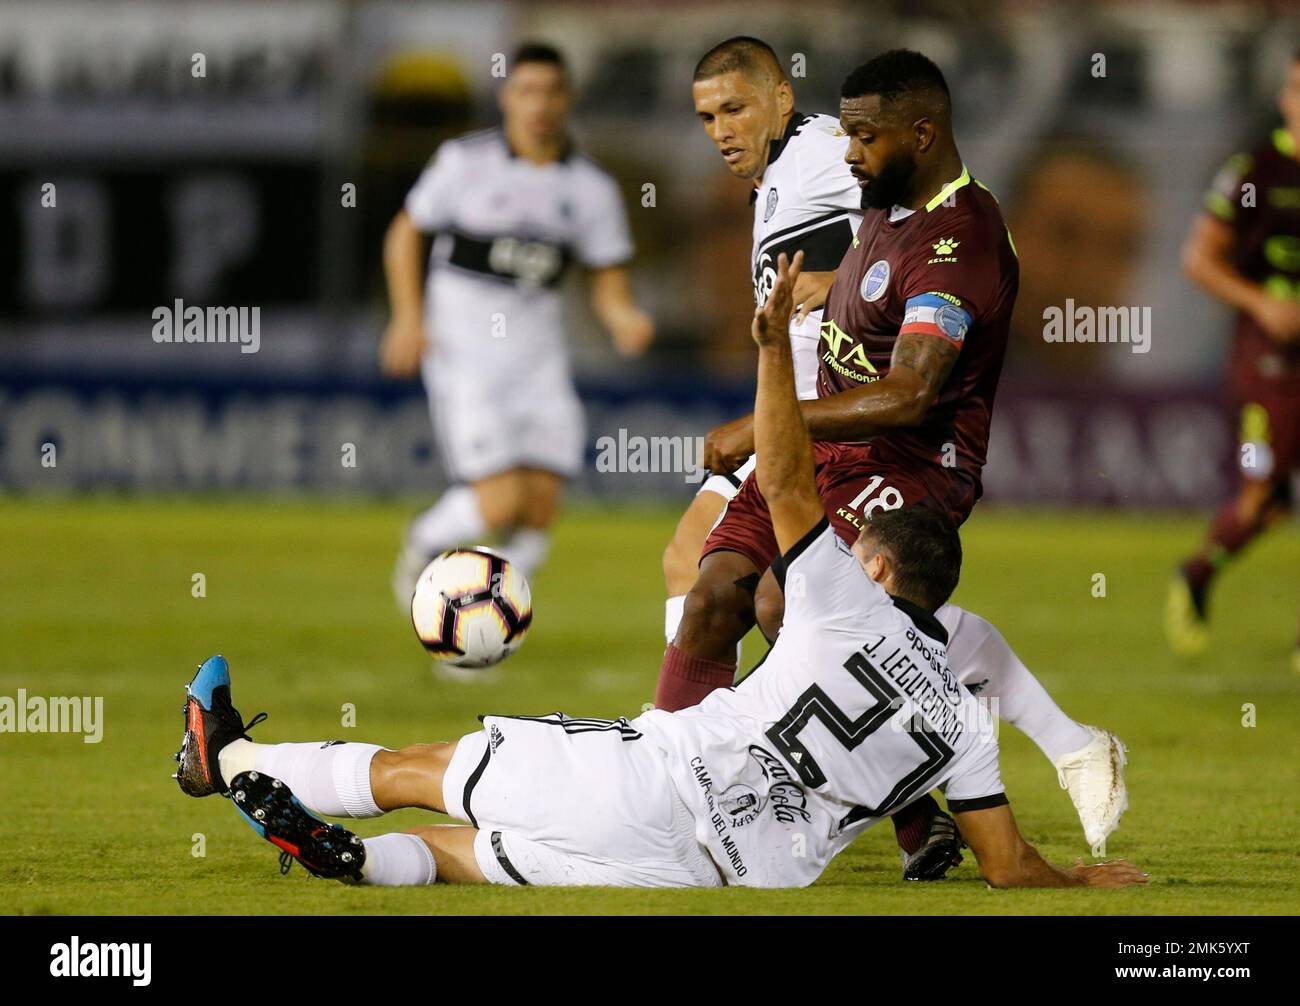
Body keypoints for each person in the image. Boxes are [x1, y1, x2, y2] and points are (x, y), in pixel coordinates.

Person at [172, 252, 1147, 892]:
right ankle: (349, 863)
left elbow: (794, 479)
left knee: (423, 773)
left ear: (881, 560)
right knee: (466, 861)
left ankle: (234, 761)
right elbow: (1008, 865)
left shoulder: (843, 600)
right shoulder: (959, 718)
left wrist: (773, 357)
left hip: (660, 778)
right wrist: (1080, 882)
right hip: (712, 877)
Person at [661, 44, 1128, 870]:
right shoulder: (887, 204)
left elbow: (911, 392)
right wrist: (829, 282)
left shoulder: (964, 238)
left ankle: (989, 782)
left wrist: (769, 427)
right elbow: (877, 296)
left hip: (912, 466)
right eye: (845, 136)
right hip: (831, 454)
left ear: (922, 134)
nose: (848, 155)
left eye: (864, 139)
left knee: (785, 604)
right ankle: (665, 792)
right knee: (708, 595)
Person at [381, 42, 653, 606]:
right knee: (500, 502)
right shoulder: (465, 163)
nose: (540, 104)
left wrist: (623, 319)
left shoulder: (591, 190)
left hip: (539, 360)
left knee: (540, 508)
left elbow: (607, 281)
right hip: (465, 353)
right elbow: (406, 232)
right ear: (507, 97)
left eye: (552, 91)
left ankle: (479, 621)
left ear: (568, 98)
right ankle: (423, 543)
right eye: (527, 91)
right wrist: (408, 318)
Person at [1166, 53, 1300, 671]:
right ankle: (1195, 573)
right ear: (1285, 96)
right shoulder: (1254, 171)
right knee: (1264, 496)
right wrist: (1262, 304)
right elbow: (1198, 260)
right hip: (1267, 366)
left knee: (1271, 501)